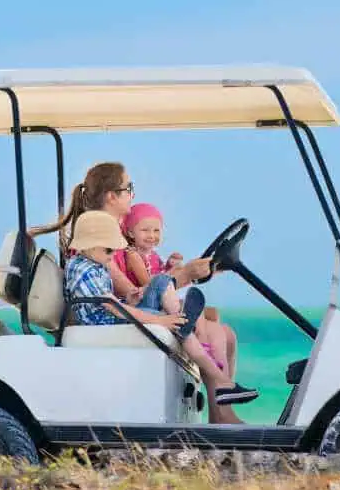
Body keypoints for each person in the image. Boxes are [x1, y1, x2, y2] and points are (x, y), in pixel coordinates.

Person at [29, 161, 244, 422]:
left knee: (224, 331)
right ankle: (222, 406)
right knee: (207, 328)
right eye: (129, 188)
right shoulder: (99, 246)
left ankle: (222, 411)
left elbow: (139, 287)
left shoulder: (109, 238)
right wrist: (186, 275)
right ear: (112, 196)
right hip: (120, 314)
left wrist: (186, 273)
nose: (133, 193)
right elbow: (130, 291)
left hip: (132, 306)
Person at [63, 210, 257, 407]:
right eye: (109, 251)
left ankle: (180, 320)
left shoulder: (94, 261)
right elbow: (111, 309)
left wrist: (130, 296)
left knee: (162, 280)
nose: (112, 255)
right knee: (180, 325)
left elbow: (111, 300)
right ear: (89, 245)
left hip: (117, 309)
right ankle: (222, 382)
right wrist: (160, 321)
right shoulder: (84, 270)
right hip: (107, 320)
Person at [113, 202, 227, 372]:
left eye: (156, 231)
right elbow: (151, 284)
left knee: (213, 313)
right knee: (193, 309)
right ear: (130, 232)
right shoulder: (133, 256)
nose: (151, 235)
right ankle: (202, 348)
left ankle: (206, 352)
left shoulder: (153, 256)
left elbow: (161, 274)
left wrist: (169, 265)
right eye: (145, 230)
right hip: (145, 302)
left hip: (157, 298)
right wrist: (179, 272)